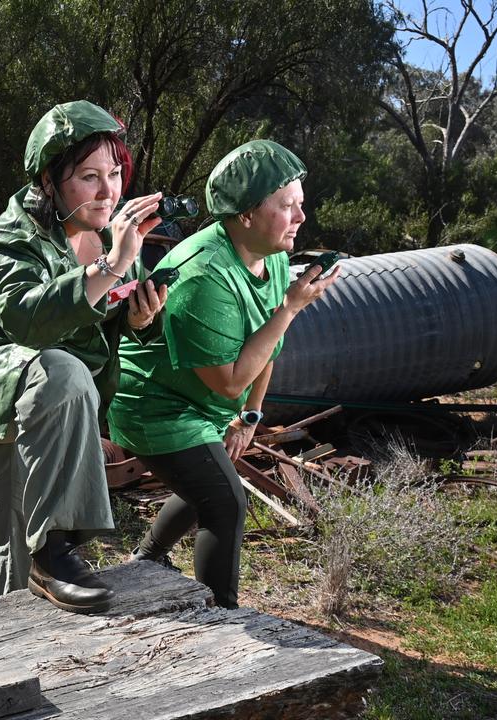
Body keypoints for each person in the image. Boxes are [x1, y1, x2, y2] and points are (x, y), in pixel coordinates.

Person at [0, 101, 167, 614]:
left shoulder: (110, 240)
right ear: (50, 182)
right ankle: (57, 551)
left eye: (115, 174)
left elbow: (100, 320)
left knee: (12, 512)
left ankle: (14, 623)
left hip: (32, 388)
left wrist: (139, 318)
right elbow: (29, 322)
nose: (108, 191)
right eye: (89, 177)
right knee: (62, 372)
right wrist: (115, 265)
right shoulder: (9, 238)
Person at [106, 140, 339, 609]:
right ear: (246, 215)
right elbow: (231, 379)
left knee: (208, 481)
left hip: (202, 403)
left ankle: (147, 557)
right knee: (225, 502)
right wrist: (291, 307)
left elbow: (265, 345)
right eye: (287, 206)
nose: (300, 218)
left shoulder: (270, 256)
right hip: (155, 405)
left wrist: (250, 417)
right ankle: (222, 618)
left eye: (301, 205)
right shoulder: (203, 275)